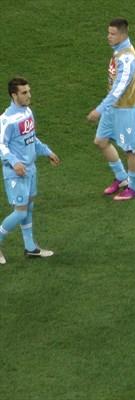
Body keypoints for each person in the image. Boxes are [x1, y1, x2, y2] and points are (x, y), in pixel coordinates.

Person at [0, 77, 61, 264]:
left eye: (29, 91)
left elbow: (31, 138)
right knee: (20, 212)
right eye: (24, 92)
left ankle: (30, 248)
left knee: (29, 208)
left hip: (30, 170)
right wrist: (14, 162)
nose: (29, 95)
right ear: (14, 95)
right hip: (15, 173)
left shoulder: (27, 112)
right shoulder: (6, 120)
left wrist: (47, 151)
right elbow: (1, 145)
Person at [87, 18, 135, 201]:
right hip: (113, 107)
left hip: (126, 110)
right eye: (108, 33)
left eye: (112, 34)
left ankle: (133, 187)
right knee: (101, 141)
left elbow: (119, 88)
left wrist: (99, 109)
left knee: (130, 150)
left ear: (123, 34)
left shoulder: (127, 58)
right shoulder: (118, 51)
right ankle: (121, 177)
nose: (108, 36)